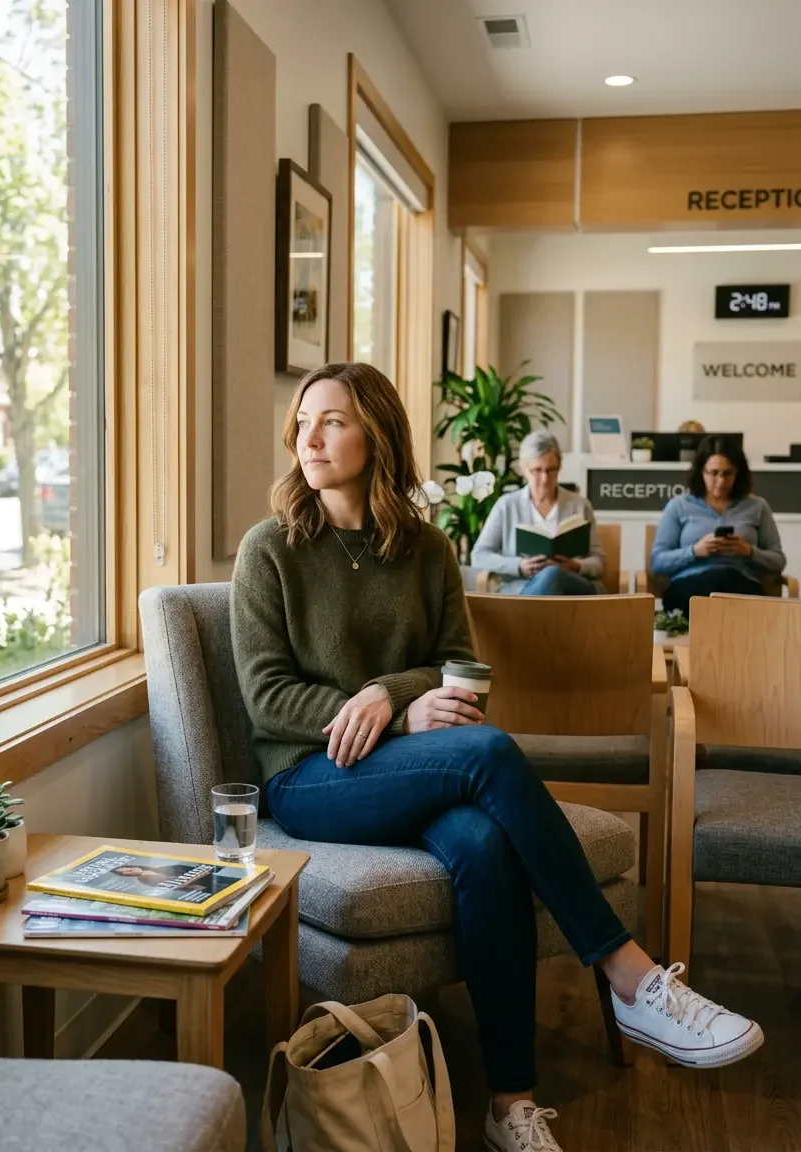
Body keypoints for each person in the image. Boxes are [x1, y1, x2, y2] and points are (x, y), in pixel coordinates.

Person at [230, 362, 763, 1152]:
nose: (310, 435)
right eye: (304, 419)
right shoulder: (269, 549)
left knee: (482, 846)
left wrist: (392, 696)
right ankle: (631, 975)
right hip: (309, 777)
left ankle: (510, 1102)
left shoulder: (426, 548)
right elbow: (267, 696)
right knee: (487, 752)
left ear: (375, 432)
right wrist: (393, 711)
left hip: (400, 771)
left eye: (334, 419)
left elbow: (459, 664)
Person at [651, 435, 785, 618]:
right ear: (701, 471)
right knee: (712, 587)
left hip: (740, 582)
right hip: (690, 584)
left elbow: (778, 560)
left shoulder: (757, 506)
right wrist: (695, 551)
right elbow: (658, 562)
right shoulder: (679, 506)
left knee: (727, 582)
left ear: (738, 473)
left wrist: (749, 552)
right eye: (713, 473)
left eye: (728, 473)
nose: (720, 482)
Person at [471, 431, 604, 596]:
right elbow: (479, 555)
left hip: (572, 587)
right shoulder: (507, 505)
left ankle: (531, 619)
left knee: (552, 573)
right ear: (524, 469)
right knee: (547, 579)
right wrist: (518, 566)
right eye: (537, 470)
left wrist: (576, 565)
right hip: (521, 585)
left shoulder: (580, 505)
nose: (544, 478)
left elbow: (598, 562)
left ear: (560, 466)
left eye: (551, 470)